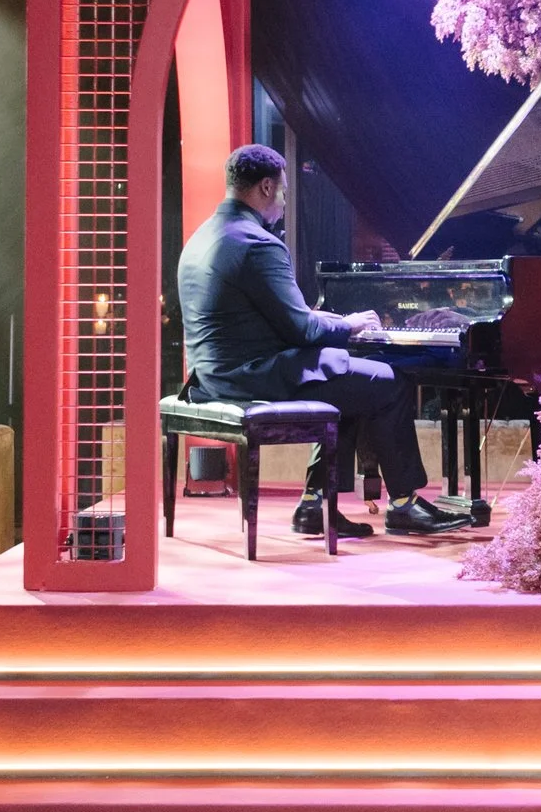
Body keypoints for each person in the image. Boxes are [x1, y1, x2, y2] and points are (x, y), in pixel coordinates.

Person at [177, 144, 470, 539]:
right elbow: (301, 330)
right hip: (251, 377)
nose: (282, 202)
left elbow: (267, 316)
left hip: (212, 376)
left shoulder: (203, 237)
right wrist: (346, 326)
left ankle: (315, 505)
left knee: (345, 380)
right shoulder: (259, 244)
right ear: (265, 187)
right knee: (386, 381)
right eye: (281, 192)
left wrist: (330, 321)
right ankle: (404, 505)